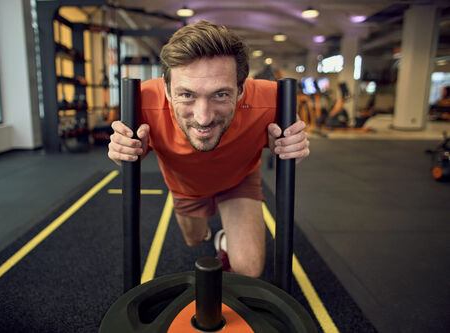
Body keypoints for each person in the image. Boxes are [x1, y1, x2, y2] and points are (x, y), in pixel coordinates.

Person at [108, 20, 310, 278]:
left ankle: (227, 240)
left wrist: (292, 145)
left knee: (248, 270)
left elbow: (289, 139)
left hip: (238, 178)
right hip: (186, 186)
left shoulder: (273, 100)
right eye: (187, 95)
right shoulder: (141, 102)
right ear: (167, 90)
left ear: (240, 89)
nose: (203, 118)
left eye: (220, 95)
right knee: (195, 240)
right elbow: (128, 146)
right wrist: (124, 150)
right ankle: (209, 231)